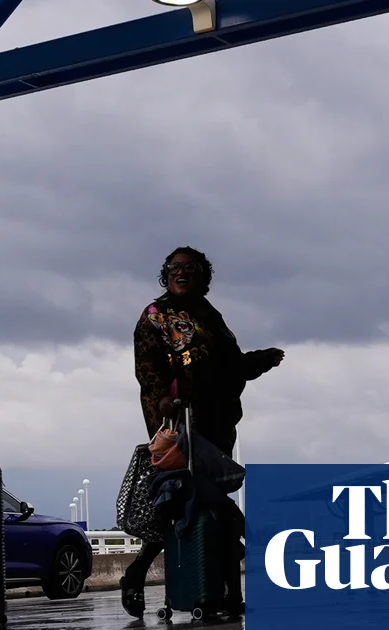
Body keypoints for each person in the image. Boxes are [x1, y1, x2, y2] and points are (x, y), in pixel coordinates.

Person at [119, 246, 284, 618]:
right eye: (174, 267)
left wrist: (262, 360)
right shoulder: (156, 315)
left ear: (203, 277)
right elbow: (147, 371)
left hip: (218, 423)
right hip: (179, 425)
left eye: (190, 268)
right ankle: (154, 574)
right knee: (189, 500)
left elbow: (231, 367)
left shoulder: (210, 315)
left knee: (200, 505)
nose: (181, 273)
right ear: (166, 274)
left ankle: (222, 590)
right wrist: (162, 405)